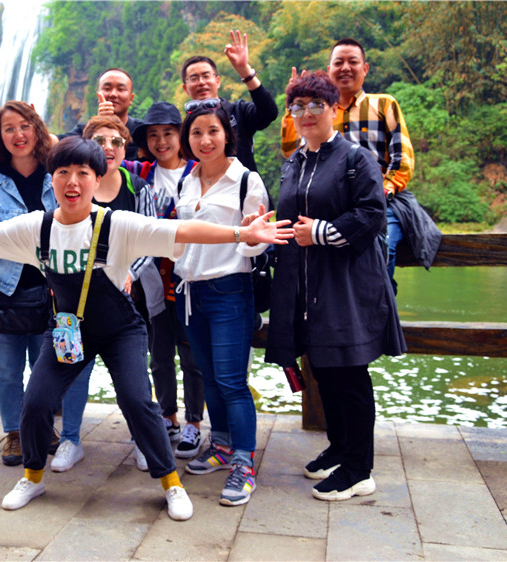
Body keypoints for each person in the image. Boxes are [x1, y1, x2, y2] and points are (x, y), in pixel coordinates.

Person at [0, 135, 294, 520]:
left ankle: (171, 483)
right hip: (69, 331)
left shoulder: (117, 224)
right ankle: (32, 477)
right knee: (36, 403)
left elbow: (182, 231)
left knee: (138, 402)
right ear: (51, 179)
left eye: (83, 173)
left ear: (97, 180)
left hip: (121, 330)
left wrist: (243, 233)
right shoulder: (36, 227)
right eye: (63, 172)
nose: (73, 182)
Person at [266, 71, 407, 501]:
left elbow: (372, 215)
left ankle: (359, 469)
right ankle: (340, 448)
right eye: (298, 106)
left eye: (316, 105)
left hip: (345, 286)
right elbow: (287, 219)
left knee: (349, 373)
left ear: (333, 109)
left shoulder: (355, 159)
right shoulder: (296, 161)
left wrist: (321, 232)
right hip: (306, 288)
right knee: (324, 370)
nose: (306, 113)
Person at [50, 116, 161, 473]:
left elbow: (152, 238)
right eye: (99, 140)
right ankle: (70, 439)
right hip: (77, 302)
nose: (108, 148)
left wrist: (129, 271)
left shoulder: (138, 188)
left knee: (134, 379)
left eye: (116, 141)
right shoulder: (74, 186)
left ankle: (143, 441)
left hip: (129, 300)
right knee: (74, 371)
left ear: (126, 147)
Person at [173, 104, 270, 507]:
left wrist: (251, 237)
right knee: (209, 377)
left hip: (230, 290)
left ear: (227, 134)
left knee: (232, 381)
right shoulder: (187, 181)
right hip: (190, 292)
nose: (205, 140)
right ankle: (223, 446)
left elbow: (259, 243)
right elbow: (179, 236)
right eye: (196, 132)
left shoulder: (246, 180)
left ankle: (244, 463)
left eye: (212, 131)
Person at [280, 38, 416, 293]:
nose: (345, 68)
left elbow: (403, 161)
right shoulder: (316, 111)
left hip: (380, 201)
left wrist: (380, 191)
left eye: (352, 62)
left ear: (365, 68)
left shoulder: (383, 104)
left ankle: (378, 300)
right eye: (338, 62)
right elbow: (291, 152)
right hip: (326, 199)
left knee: (380, 247)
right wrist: (294, 106)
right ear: (329, 70)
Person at [0, 101, 58, 466]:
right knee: (6, 370)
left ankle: (42, 427)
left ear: (36, 129)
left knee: (45, 368)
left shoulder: (56, 177)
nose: (18, 134)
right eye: (8, 129)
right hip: (5, 288)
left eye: (24, 126)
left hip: (50, 289)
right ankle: (15, 433)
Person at [128, 102, 205, 459]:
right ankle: (168, 416)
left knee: (192, 355)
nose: (161, 142)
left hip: (190, 280)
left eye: (169, 134)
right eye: (153, 135)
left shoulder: (198, 172)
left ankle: (194, 423)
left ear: (181, 136)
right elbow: (104, 156)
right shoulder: (140, 172)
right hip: (151, 283)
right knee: (158, 355)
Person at [180, 30, 279, 173]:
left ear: (218, 81)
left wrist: (245, 72)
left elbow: (269, 112)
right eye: (194, 78)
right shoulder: (185, 127)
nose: (201, 82)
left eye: (206, 76)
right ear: (185, 88)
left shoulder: (238, 112)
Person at [60, 68, 144, 160]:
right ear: (98, 95)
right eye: (107, 89)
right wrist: (97, 125)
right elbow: (53, 144)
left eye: (121, 89)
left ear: (131, 98)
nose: (113, 94)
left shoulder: (143, 132)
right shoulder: (84, 131)